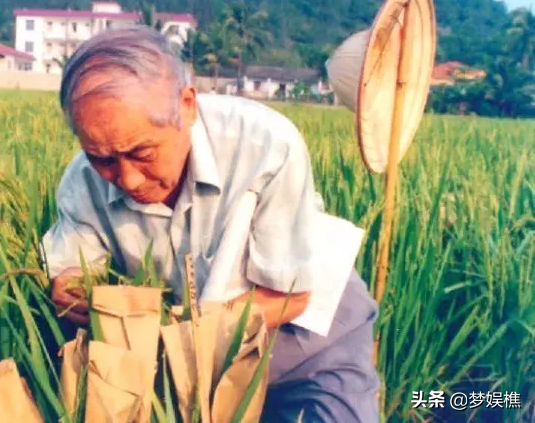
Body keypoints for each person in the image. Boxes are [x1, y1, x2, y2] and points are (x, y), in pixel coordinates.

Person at [42, 26, 380, 422]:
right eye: (103, 158)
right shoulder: (82, 179)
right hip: (189, 352)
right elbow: (69, 273)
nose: (128, 179)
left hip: (304, 337)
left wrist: (176, 326)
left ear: (186, 106)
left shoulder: (265, 144)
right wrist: (70, 292)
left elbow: (289, 297)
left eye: (142, 153)